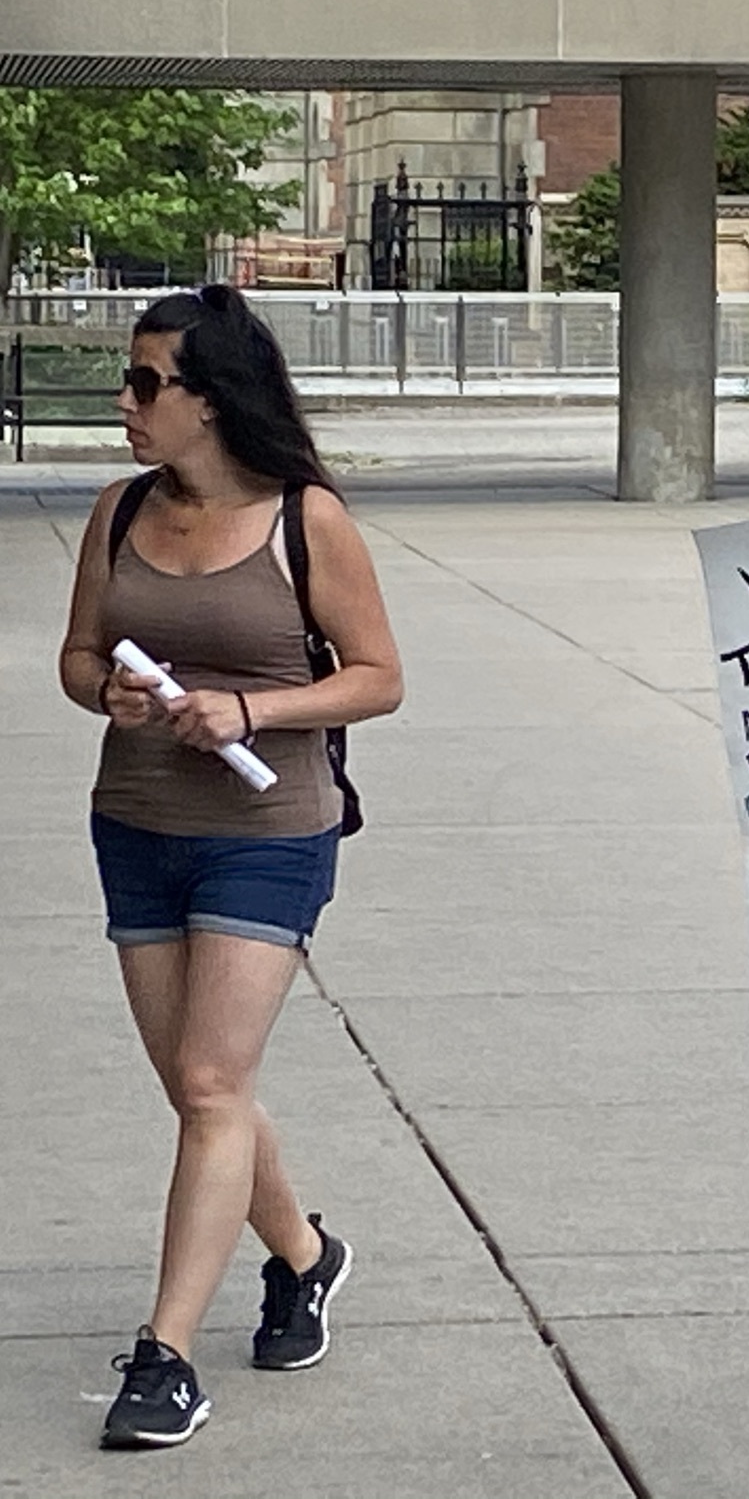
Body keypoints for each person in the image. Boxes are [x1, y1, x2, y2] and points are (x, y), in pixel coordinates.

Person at [57, 285, 403, 1449]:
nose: (128, 402)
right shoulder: (117, 512)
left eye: (148, 382)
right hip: (136, 823)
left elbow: (376, 676)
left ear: (210, 400)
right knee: (204, 1091)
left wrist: (251, 709)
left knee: (209, 1083)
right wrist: (106, 688)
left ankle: (163, 1360)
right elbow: (77, 656)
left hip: (269, 835)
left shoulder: (306, 520)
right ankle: (304, 1256)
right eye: (130, 380)